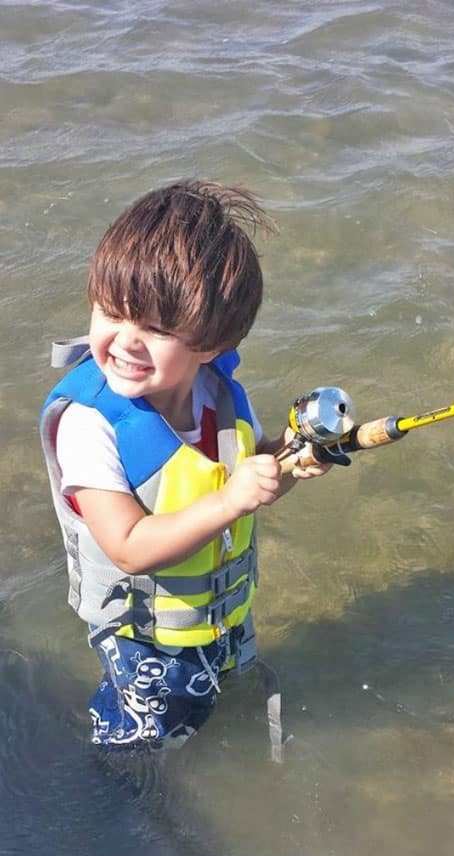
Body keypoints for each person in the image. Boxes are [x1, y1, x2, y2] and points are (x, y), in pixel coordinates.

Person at [40, 180, 331, 753]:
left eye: (157, 329)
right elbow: (127, 545)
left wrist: (291, 461)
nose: (125, 342)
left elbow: (251, 481)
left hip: (213, 612)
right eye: (111, 313)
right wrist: (231, 500)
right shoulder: (90, 425)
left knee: (204, 705)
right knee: (145, 740)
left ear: (213, 341)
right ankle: (120, 791)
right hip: (143, 637)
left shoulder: (216, 394)